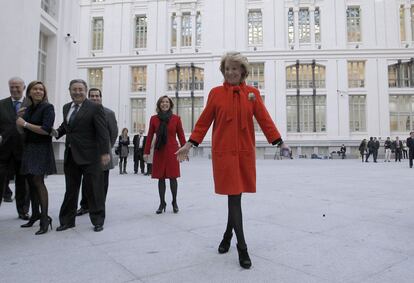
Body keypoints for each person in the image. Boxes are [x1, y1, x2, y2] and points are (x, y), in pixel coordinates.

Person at [176, 52, 290, 269]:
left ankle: (227, 236)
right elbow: (203, 122)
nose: (230, 72)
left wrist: (279, 142)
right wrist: (190, 144)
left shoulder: (252, 94)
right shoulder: (216, 94)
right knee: (234, 198)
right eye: (227, 68)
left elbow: (265, 120)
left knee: (235, 197)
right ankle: (242, 247)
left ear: (243, 71)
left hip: (244, 153)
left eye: (234, 69)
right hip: (224, 155)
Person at [53, 79, 110, 232]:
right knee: (71, 189)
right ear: (69, 90)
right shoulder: (67, 107)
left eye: (80, 89)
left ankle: (98, 220)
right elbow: (67, 126)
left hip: (91, 156)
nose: (77, 92)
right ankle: (67, 221)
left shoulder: (94, 108)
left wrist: (105, 152)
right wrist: (57, 133)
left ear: (85, 91)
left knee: (94, 189)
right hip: (71, 155)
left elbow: (102, 132)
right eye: (74, 89)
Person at [16, 81, 56, 234]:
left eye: (41, 89)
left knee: (38, 182)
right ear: (30, 92)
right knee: (31, 182)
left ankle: (45, 219)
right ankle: (35, 215)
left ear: (44, 93)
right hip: (29, 147)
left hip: (41, 148)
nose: (38, 91)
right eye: (35, 89)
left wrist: (24, 123)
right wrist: (19, 120)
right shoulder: (28, 108)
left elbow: (46, 130)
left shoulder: (48, 107)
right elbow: (21, 131)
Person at [76, 88, 118, 216]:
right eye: (92, 96)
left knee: (102, 182)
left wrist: (105, 148)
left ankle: (100, 206)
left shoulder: (109, 113)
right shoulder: (82, 111)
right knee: (86, 181)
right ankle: (84, 206)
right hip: (86, 154)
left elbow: (113, 132)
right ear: (88, 97)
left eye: (97, 96)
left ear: (101, 97)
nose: (95, 98)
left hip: (102, 154)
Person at [144, 96, 186, 214]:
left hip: (173, 151)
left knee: (173, 178)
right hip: (159, 151)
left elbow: (181, 135)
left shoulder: (176, 119)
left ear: (170, 104)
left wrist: (184, 150)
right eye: (162, 102)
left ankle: (174, 202)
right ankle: (162, 203)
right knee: (160, 178)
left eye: (167, 102)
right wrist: (146, 152)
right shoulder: (154, 119)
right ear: (159, 105)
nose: (164, 104)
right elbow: (150, 136)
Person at [0, 77, 30, 219]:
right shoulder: (2, 104)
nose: (14, 89)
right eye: (11, 86)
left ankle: (23, 211)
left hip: (24, 151)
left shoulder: (31, 104)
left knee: (22, 183)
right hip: (3, 151)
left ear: (23, 88)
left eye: (17, 87)